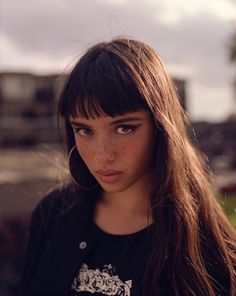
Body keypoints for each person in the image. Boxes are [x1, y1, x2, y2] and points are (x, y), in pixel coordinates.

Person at [20, 37, 236, 296]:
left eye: (124, 128)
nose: (103, 155)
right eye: (84, 129)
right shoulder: (52, 214)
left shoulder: (204, 247)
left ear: (162, 127)